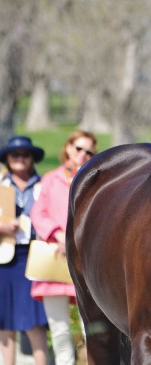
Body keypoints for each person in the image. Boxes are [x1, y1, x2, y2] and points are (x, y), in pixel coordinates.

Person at [30, 130, 97, 365]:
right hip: (54, 262)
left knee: (92, 329)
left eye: (89, 151)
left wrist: (74, 240)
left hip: (84, 262)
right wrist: (58, 235)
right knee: (59, 330)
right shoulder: (50, 179)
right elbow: (38, 213)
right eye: (79, 148)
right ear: (68, 148)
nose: (83, 155)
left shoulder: (97, 180)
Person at [0, 136, 49, 365]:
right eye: (15, 154)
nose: (20, 159)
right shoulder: (1, 186)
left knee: (35, 320)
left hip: (37, 257)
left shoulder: (44, 186)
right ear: (7, 159)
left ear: (32, 158)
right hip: (5, 258)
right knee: (4, 322)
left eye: (25, 154)